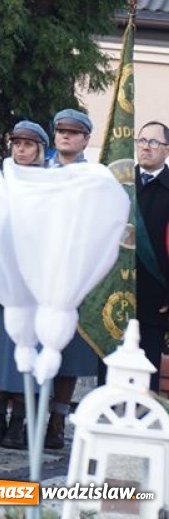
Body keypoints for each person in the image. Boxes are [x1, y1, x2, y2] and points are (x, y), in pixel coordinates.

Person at [0, 119, 48, 448]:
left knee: (24, 357)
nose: (21, 150)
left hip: (32, 285)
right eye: (17, 143)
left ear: (40, 149)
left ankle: (18, 424)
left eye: (28, 144)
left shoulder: (48, 184)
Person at [42, 106, 98, 448]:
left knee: (68, 353)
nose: (65, 135)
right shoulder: (38, 173)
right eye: (60, 130)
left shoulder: (94, 179)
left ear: (85, 139)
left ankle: (58, 420)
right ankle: (30, 417)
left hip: (73, 273)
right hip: (39, 272)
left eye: (73, 132)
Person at [134, 120, 169, 392]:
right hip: (116, 293)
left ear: (167, 149)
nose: (146, 147)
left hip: (155, 297)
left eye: (154, 142)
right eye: (142, 140)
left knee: (147, 373)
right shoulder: (120, 181)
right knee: (109, 370)